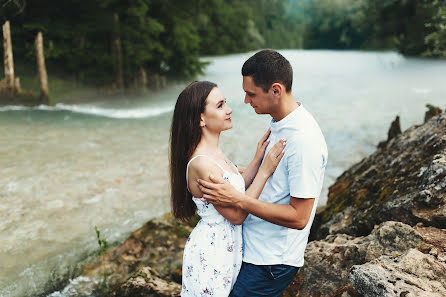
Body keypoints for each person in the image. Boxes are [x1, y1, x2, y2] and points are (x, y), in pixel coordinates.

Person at [198, 49, 328, 297]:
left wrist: (237, 199)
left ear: (276, 90)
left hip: (270, 261)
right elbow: (276, 181)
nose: (246, 101)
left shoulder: (303, 141)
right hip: (252, 249)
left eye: (251, 94)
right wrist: (234, 171)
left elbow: (299, 217)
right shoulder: (280, 122)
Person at [169, 80, 286, 297]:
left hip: (227, 247)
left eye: (226, 103)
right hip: (213, 252)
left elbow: (237, 188)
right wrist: (265, 171)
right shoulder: (202, 164)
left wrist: (258, 158)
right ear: (200, 118)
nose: (229, 109)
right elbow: (237, 214)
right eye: (220, 105)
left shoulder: (215, 154)